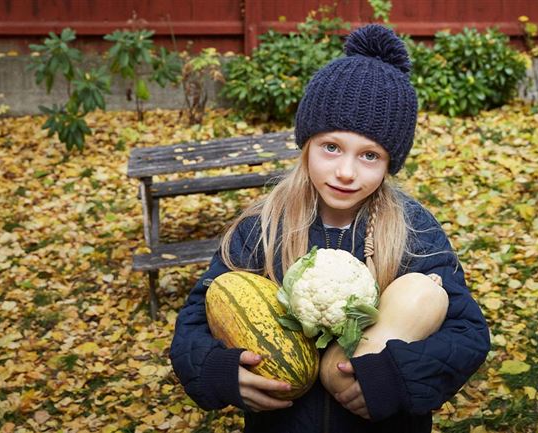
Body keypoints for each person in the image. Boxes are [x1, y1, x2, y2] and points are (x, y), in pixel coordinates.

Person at [168, 24, 489, 432]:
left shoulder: (413, 231)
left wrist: (400, 378)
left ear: (391, 163)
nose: (345, 172)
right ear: (306, 143)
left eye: (369, 155)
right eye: (331, 147)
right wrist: (218, 371)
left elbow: (467, 334)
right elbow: (197, 317)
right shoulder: (261, 227)